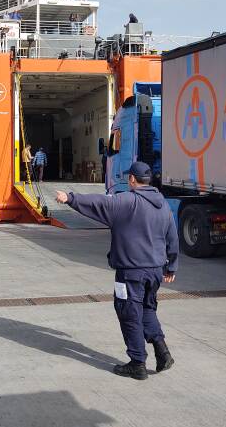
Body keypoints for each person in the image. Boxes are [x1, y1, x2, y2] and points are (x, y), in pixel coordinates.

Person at [54, 161, 178, 380]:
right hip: (155, 271)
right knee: (147, 309)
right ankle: (163, 352)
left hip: (131, 272)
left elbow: (99, 203)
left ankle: (137, 364)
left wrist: (70, 198)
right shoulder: (163, 204)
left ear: (132, 179)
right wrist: (172, 266)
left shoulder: (127, 201)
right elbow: (172, 237)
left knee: (129, 313)